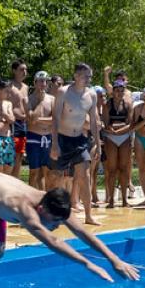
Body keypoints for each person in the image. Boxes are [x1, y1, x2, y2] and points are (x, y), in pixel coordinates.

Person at [0, 172, 140, 281]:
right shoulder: (26, 212)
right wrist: (88, 264)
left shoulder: (53, 203)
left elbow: (82, 232)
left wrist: (114, 259)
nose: (57, 227)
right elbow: (53, 243)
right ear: (42, 211)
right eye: (54, 223)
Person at [50, 63, 102, 225]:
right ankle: (54, 212)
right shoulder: (63, 92)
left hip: (79, 140)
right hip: (63, 139)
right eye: (86, 76)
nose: (89, 79)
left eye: (90, 76)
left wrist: (98, 144)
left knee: (84, 177)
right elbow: (56, 118)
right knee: (57, 177)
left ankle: (88, 215)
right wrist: (55, 144)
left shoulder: (91, 95)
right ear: (76, 76)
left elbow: (93, 122)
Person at [102, 80, 133, 208]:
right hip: (111, 137)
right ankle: (111, 200)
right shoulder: (107, 104)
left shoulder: (128, 104)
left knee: (124, 168)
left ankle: (125, 200)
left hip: (124, 136)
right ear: (113, 91)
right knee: (112, 169)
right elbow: (105, 122)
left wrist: (119, 130)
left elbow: (130, 123)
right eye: (117, 90)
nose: (119, 93)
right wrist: (113, 129)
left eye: (122, 90)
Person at [26, 71, 54, 191]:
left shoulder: (52, 99)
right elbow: (31, 121)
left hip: (47, 138)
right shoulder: (28, 100)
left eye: (46, 81)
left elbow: (54, 120)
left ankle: (44, 197)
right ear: (35, 82)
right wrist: (41, 102)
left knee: (46, 172)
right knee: (34, 171)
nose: (44, 84)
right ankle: (30, 197)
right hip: (34, 138)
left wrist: (39, 120)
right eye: (41, 81)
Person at [7, 59, 29, 179]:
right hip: (13, 123)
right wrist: (19, 116)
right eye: (21, 69)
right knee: (12, 155)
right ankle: (9, 182)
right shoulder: (9, 86)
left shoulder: (25, 87)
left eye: (25, 69)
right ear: (14, 70)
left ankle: (16, 181)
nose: (24, 72)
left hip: (24, 124)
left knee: (20, 155)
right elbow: (8, 105)